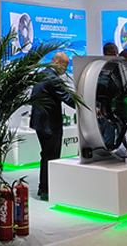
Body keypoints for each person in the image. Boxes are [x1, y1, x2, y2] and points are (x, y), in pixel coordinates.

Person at [30, 51, 75, 201]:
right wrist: (86, 106)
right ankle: (47, 190)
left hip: (40, 123)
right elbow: (68, 98)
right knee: (52, 157)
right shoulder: (52, 78)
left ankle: (43, 188)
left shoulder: (42, 74)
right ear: (57, 62)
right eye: (65, 66)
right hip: (49, 124)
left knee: (46, 156)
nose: (65, 70)